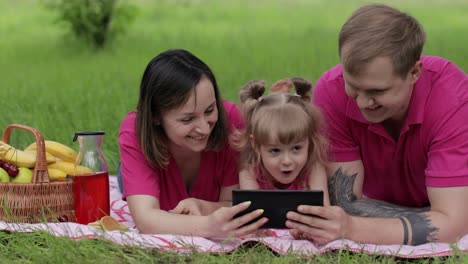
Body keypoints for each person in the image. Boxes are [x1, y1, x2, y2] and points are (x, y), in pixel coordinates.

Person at [284, 3, 468, 245]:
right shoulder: (332, 91)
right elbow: (345, 203)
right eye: (353, 85)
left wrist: (353, 228)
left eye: (376, 91)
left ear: (414, 73)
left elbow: (454, 227)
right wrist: (437, 217)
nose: (361, 102)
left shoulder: (452, 98)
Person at [118, 49, 267, 237]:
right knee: (125, 180)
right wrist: (207, 226)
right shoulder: (135, 130)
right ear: (155, 116)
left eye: (209, 110)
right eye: (188, 120)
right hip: (141, 167)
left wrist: (202, 206)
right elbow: (146, 219)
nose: (204, 129)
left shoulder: (230, 120)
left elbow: (235, 203)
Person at [233, 78, 330, 206]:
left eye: (296, 148)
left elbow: (323, 211)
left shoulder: (313, 168)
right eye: (275, 150)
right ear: (255, 145)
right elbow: (251, 215)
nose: (287, 161)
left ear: (309, 142)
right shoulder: (251, 171)